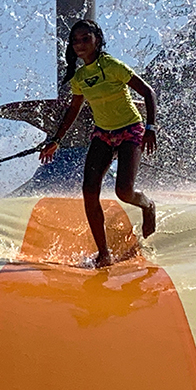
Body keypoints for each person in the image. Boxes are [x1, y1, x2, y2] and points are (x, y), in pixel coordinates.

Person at [39, 19, 158, 268]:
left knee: (124, 192)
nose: (80, 44)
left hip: (130, 130)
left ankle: (147, 205)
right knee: (89, 191)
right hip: (103, 133)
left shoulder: (111, 65)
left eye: (86, 38)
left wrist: (150, 128)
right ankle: (104, 254)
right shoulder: (79, 77)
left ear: (97, 40)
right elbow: (73, 110)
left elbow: (148, 92)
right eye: (76, 40)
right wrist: (56, 140)